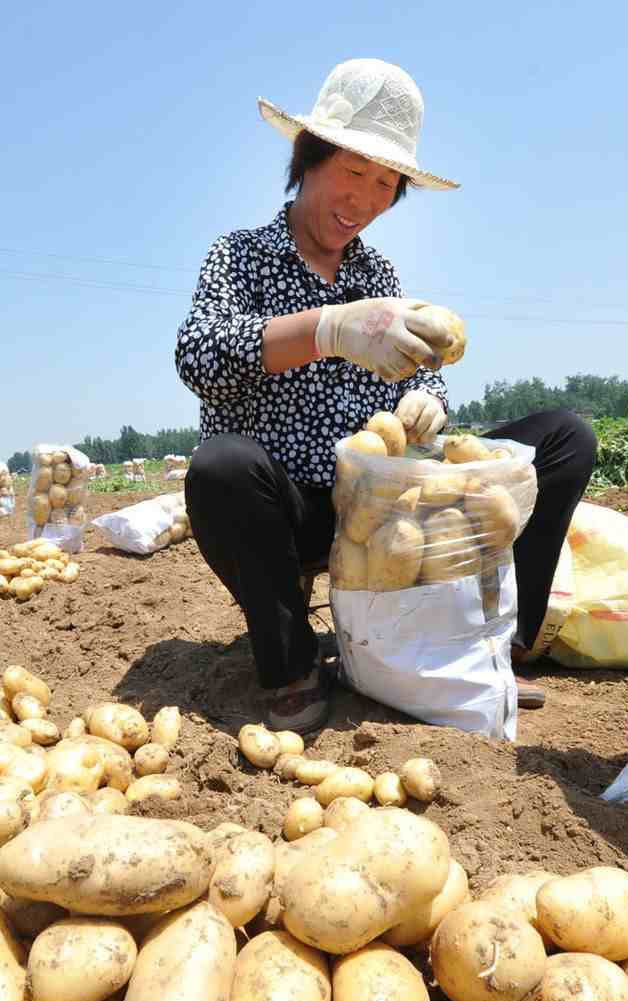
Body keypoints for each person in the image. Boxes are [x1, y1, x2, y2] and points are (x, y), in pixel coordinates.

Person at [176, 58, 596, 734]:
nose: (366, 199)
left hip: (384, 511)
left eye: (386, 182)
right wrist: (328, 329)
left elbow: (418, 369)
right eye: (353, 172)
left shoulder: (379, 271)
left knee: (564, 438)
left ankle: (498, 645)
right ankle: (290, 668)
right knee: (220, 467)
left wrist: (425, 398)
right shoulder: (240, 255)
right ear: (308, 158)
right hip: (293, 513)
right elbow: (199, 357)